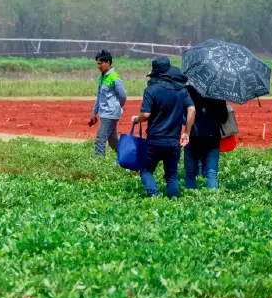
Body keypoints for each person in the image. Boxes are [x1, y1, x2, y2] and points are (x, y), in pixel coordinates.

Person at [132, 57, 195, 199]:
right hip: (173, 141)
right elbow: (192, 110)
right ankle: (173, 203)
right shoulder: (181, 90)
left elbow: (146, 114)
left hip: (154, 139)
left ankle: (154, 196)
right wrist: (186, 133)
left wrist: (137, 119)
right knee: (171, 176)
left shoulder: (151, 90)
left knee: (146, 170)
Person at [184, 84, 227, 190]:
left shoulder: (188, 91)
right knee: (211, 173)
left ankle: (189, 199)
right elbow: (224, 118)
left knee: (190, 174)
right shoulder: (218, 91)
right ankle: (212, 202)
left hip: (193, 136)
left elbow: (184, 114)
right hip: (212, 137)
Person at [88, 49, 127, 157]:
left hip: (110, 114)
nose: (99, 66)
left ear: (108, 63)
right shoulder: (102, 77)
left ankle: (99, 163)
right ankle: (126, 157)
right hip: (104, 112)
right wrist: (93, 113)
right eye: (98, 64)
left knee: (100, 138)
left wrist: (118, 107)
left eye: (101, 63)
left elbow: (123, 96)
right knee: (113, 140)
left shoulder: (115, 77)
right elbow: (99, 96)